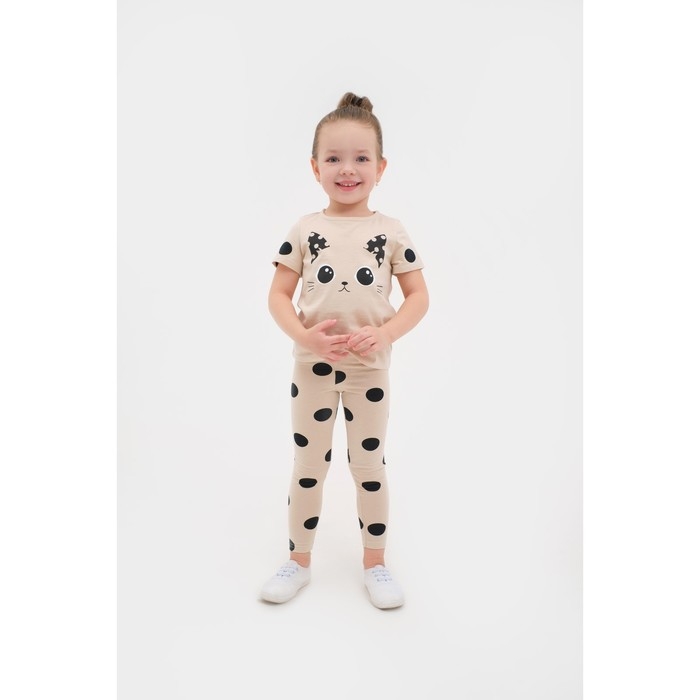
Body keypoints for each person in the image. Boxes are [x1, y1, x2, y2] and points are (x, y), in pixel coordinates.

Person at [260, 92, 429, 609]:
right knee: (308, 464)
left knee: (369, 465)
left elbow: (418, 296)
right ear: (315, 168)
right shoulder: (305, 229)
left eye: (360, 158)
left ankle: (376, 564)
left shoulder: (391, 231)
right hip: (312, 369)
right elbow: (278, 295)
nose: (347, 169)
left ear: (380, 167)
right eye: (333, 158)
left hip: (368, 371)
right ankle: (298, 560)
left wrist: (387, 333)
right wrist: (304, 336)